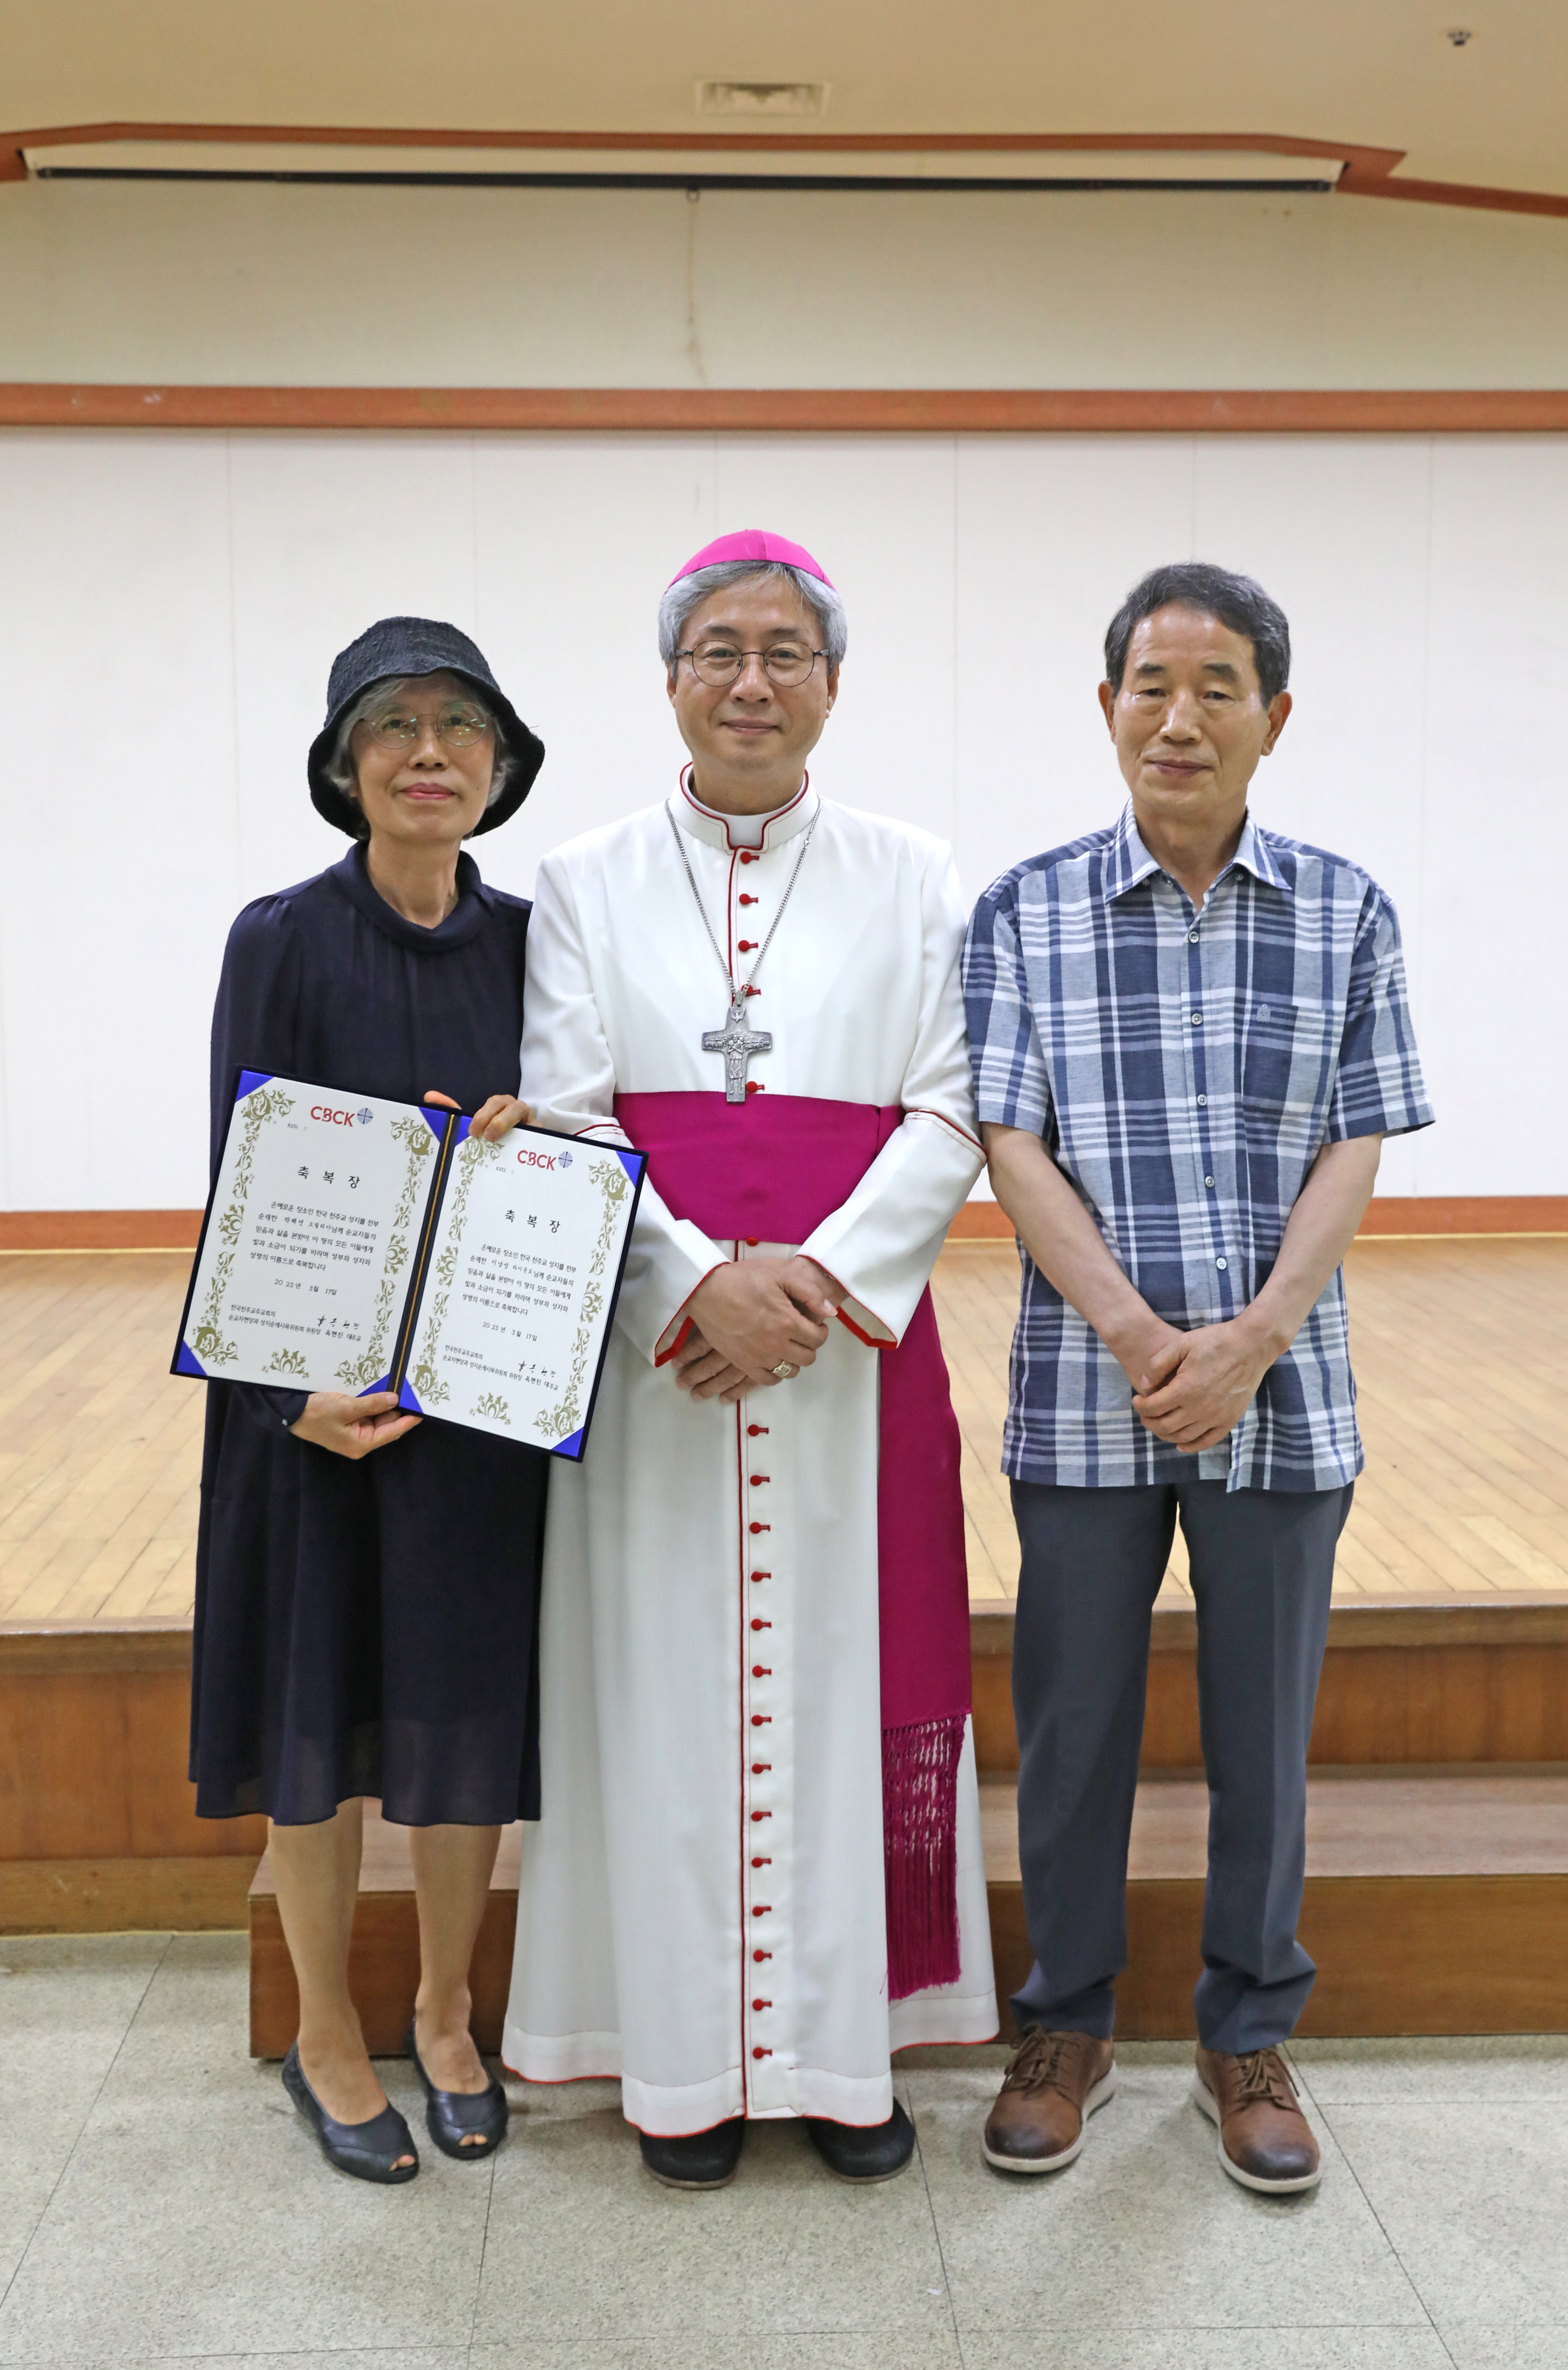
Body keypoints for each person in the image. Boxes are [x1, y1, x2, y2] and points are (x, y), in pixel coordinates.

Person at [490, 528, 997, 2190]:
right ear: (672, 679)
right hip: (662, 1377)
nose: (754, 680)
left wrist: (818, 1286)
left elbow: (948, 1109)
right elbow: (564, 1119)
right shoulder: (580, 880)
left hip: (846, 1373)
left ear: (833, 684)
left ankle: (847, 2063)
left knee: (846, 1689)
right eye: (722, 648)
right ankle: (684, 2073)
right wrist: (698, 1285)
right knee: (658, 1698)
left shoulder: (920, 873)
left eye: (788, 650)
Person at [962, 562, 1433, 2195]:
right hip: (1086, 1398)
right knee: (1074, 1726)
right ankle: (1065, 2023)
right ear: (1106, 712)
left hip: (1288, 1400)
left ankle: (1247, 2029)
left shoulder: (1348, 907)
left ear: (1273, 718)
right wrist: (1140, 1337)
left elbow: (1360, 1136)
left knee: (1265, 1734)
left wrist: (1251, 1340)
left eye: (1216, 685)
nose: (1178, 715)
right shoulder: (1022, 908)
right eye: (1148, 686)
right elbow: (1006, 1141)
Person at [191, 617, 551, 2184]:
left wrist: (535, 1137)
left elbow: (578, 1155)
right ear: (346, 765)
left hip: (476, 1404)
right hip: (316, 1418)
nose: (428, 752)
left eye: (459, 727)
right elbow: (240, 1185)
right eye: (395, 726)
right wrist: (290, 1402)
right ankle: (330, 2029)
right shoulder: (278, 933)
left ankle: (450, 2011)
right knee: (317, 1722)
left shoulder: (540, 943)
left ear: (497, 765)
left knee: (465, 1715)